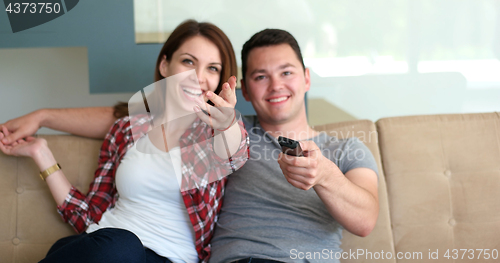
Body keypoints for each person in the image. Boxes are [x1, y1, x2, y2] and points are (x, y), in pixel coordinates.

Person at [1, 28, 379, 263]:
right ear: (246, 90)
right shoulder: (145, 127)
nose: (276, 86)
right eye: (260, 76)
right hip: (112, 247)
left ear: (307, 78)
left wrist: (324, 173)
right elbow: (125, 118)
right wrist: (43, 127)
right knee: (116, 246)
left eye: (287, 73)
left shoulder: (226, 132)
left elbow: (364, 219)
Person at [0, 19, 249, 263]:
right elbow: (89, 215)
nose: (198, 77)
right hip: (98, 248)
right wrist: (41, 153)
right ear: (165, 65)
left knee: (123, 246)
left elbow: (236, 154)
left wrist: (227, 124)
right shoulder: (126, 129)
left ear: (220, 81)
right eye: (188, 61)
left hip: (165, 257)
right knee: (119, 245)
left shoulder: (214, 134)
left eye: (212, 68)